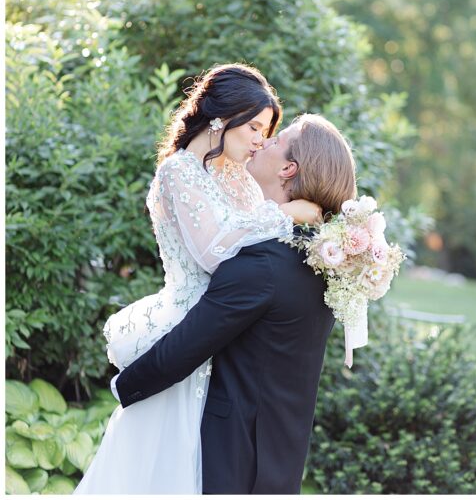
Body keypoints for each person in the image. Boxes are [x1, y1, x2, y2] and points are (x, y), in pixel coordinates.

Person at [75, 65, 324, 494]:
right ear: (221, 117)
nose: (260, 140)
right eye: (254, 127)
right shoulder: (179, 171)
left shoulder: (240, 177)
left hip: (227, 337)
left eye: (266, 131)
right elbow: (215, 253)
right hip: (187, 329)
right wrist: (285, 214)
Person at [111, 113, 357, 494]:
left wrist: (124, 387)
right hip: (280, 457)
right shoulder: (321, 259)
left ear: (288, 168)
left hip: (234, 460)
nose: (264, 142)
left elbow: (191, 342)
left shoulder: (264, 261)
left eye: (276, 140)